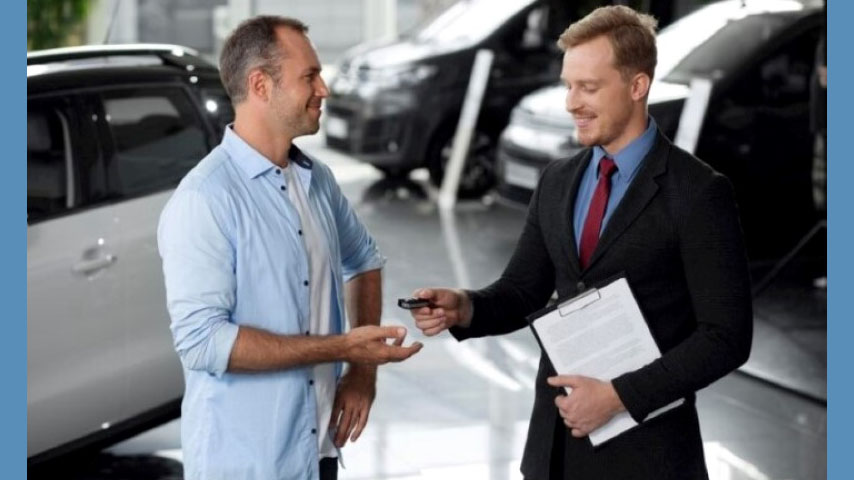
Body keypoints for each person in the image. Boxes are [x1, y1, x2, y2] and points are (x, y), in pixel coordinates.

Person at [410, 6, 752, 479]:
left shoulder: (698, 192)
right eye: (569, 85)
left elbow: (726, 338)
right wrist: (464, 307)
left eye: (588, 87)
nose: (572, 102)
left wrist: (618, 397)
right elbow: (521, 291)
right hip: (554, 451)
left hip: (649, 456)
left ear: (637, 87)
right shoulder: (557, 180)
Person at [158, 16, 422, 480]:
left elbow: (364, 260)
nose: (324, 89)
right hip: (244, 464)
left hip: (316, 452)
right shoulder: (205, 199)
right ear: (261, 85)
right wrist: (343, 347)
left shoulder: (316, 180)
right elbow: (202, 342)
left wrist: (361, 374)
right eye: (309, 76)